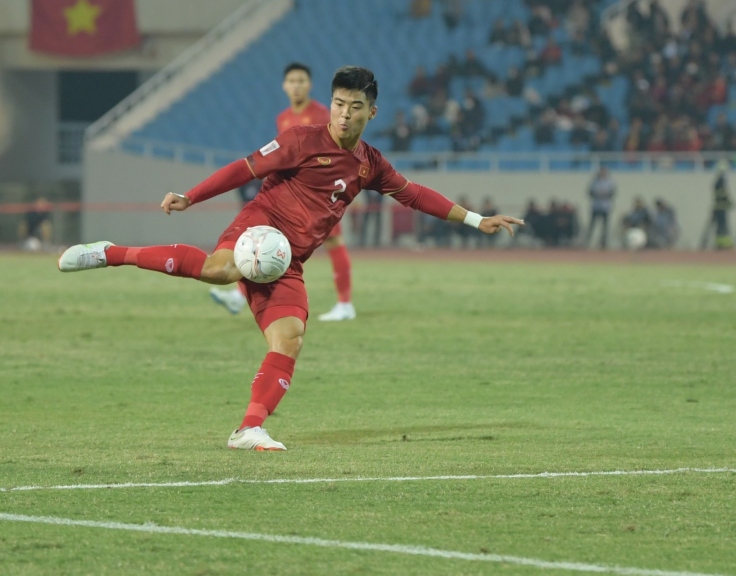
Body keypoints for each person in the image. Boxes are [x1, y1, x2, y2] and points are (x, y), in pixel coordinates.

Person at [58, 66, 523, 451]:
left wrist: (475, 219)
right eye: (339, 104)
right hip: (258, 229)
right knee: (220, 270)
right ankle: (109, 253)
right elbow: (243, 168)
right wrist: (191, 197)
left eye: (354, 107)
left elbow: (415, 194)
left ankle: (249, 428)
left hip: (288, 261)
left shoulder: (371, 163)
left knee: (290, 337)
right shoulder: (300, 140)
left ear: (371, 112)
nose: (344, 114)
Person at [209, 63, 360, 323]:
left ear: (310, 85)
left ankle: (345, 304)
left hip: (319, 196)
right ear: (284, 86)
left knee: (332, 243)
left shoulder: (323, 114)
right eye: (292, 81)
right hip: (293, 196)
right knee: (266, 244)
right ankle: (239, 293)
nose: (296, 85)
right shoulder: (283, 117)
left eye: (301, 80)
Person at [585, 167, 616, 249]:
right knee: (592, 225)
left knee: (605, 226)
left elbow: (612, 193)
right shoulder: (594, 182)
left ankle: (603, 243)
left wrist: (605, 194)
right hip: (596, 206)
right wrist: (597, 193)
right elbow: (589, 192)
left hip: (605, 206)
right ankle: (588, 242)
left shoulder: (610, 182)